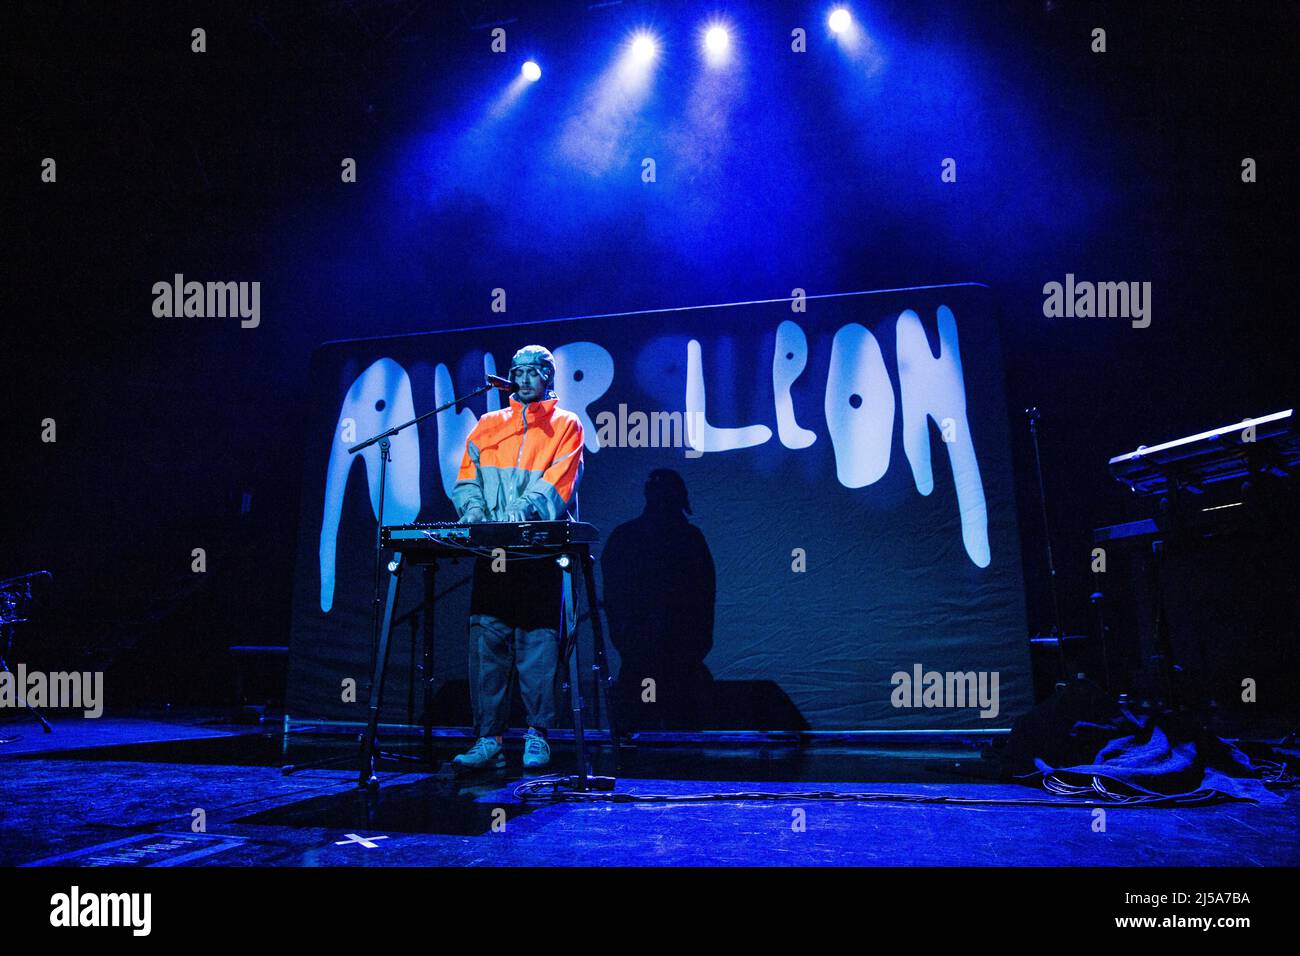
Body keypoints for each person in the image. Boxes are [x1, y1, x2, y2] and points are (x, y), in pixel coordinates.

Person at [449, 345, 584, 770]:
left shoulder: (566, 425)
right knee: (487, 641)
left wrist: (523, 511)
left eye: (533, 372)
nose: (524, 379)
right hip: (492, 552)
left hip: (537, 553)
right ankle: (487, 739)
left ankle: (537, 734)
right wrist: (472, 510)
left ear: (548, 376)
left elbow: (558, 480)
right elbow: (467, 478)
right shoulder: (489, 425)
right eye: (518, 371)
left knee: (537, 644)